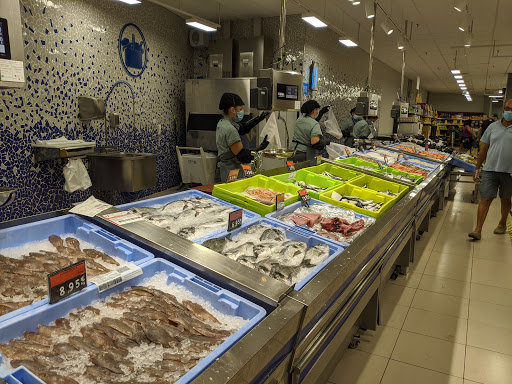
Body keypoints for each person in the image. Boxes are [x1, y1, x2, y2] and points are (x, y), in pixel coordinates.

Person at [468, 99, 512, 240]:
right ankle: (478, 229)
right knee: (486, 198)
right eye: (507, 108)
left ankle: (502, 223)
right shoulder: (492, 127)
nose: (509, 111)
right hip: (490, 170)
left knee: (506, 199)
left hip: (509, 172)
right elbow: (484, 149)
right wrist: (477, 168)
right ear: (503, 110)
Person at [216, 93, 269, 182]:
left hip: (227, 168)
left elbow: (243, 128)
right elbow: (243, 156)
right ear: (232, 109)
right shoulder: (229, 129)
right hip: (231, 171)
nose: (242, 111)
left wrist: (260, 118)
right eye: (240, 109)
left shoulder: (223, 122)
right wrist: (262, 147)